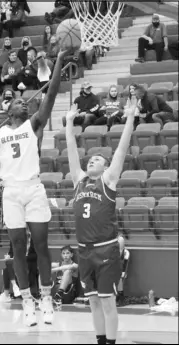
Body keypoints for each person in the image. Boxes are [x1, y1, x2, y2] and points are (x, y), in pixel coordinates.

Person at [0, 48, 70, 326]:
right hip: (11, 192)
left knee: (40, 246)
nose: (24, 104)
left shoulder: (33, 124)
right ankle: (27, 299)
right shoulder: (1, 133)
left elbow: (50, 97)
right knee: (18, 247)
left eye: (25, 102)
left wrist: (58, 65)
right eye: (18, 102)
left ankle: (46, 298)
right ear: (9, 109)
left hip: (33, 189)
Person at [65, 101, 138, 345]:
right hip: (84, 251)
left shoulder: (108, 181)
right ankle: (100, 341)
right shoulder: (79, 181)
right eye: (91, 159)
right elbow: (72, 152)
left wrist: (129, 119)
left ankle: (112, 343)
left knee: (107, 300)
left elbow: (122, 150)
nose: (92, 161)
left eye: (98, 159)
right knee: (93, 301)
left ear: (106, 167)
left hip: (105, 249)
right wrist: (68, 123)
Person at [0, 232, 38, 302]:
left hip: (29, 264)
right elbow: (11, 253)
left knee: (7, 269)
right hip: (17, 264)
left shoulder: (34, 240)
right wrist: (8, 256)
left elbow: (35, 256)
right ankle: (14, 287)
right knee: (7, 264)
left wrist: (23, 258)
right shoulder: (14, 239)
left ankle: (7, 294)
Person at [116, 233, 130, 307]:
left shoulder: (120, 239)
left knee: (118, 276)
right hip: (111, 262)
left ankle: (121, 297)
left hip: (118, 263)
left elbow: (119, 253)